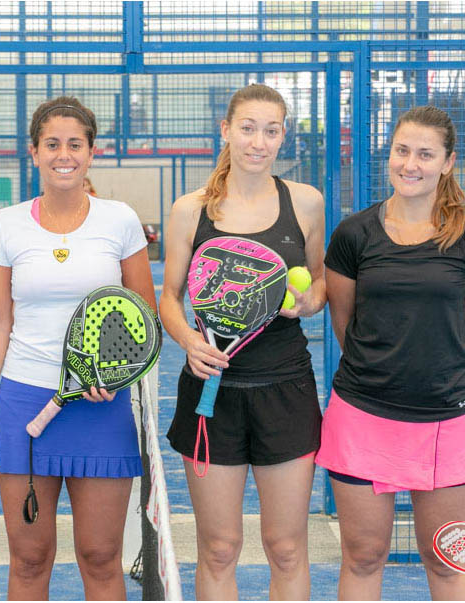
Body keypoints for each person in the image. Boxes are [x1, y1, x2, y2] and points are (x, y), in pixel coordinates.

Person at [0, 96, 155, 600]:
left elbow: (143, 316)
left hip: (103, 407)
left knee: (100, 557)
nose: (64, 154)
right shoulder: (7, 224)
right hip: (23, 403)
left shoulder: (120, 220)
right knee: (29, 559)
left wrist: (113, 374)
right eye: (52, 144)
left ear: (92, 152)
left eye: (75, 144)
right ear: (33, 152)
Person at [318, 105, 465, 600]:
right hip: (361, 416)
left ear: (447, 162)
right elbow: (345, 324)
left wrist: (435, 375)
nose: (410, 164)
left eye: (425, 154)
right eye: (402, 151)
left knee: (446, 563)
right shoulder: (353, 234)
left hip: (446, 421)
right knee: (362, 558)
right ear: (390, 154)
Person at [160, 83, 326, 600]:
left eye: (271, 131)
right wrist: (188, 340)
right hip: (212, 396)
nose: (259, 142)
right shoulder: (190, 210)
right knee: (218, 547)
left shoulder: (306, 202)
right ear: (226, 130)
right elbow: (169, 297)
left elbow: (320, 283)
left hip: (287, 390)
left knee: (287, 547)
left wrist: (307, 302)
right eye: (248, 128)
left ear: (283, 136)